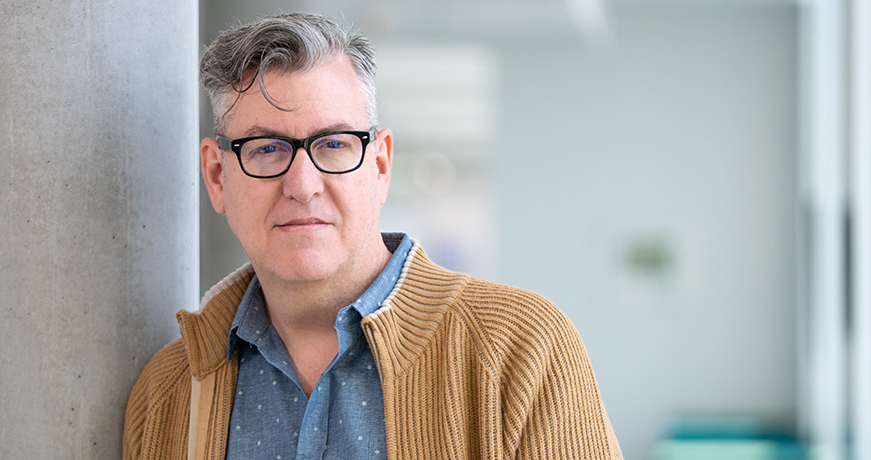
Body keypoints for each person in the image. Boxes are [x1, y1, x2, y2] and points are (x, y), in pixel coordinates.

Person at [123, 12, 622, 459]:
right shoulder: (166, 393)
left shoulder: (520, 352)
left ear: (379, 166)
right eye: (266, 148)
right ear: (217, 177)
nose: (301, 185)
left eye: (335, 144)